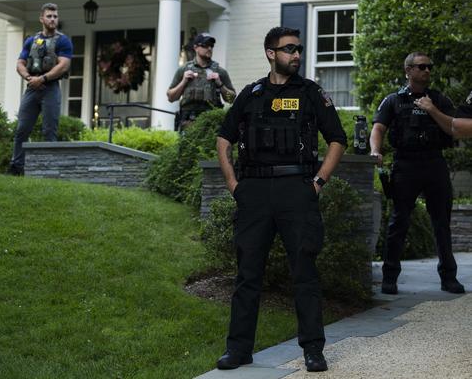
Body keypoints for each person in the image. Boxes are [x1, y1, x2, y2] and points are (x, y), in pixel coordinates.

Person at [215, 27, 346, 372]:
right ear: (271, 53)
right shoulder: (251, 94)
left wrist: (318, 182)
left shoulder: (310, 93)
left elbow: (337, 140)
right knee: (247, 274)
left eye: (299, 49)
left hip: (296, 190)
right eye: (289, 49)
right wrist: (235, 185)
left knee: (304, 272)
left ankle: (313, 350)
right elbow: (223, 139)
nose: (297, 55)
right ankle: (239, 349)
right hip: (254, 192)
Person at [369, 52, 465, 295]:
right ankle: (389, 278)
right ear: (408, 70)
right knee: (398, 222)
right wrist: (375, 150)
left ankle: (449, 278)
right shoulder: (394, 100)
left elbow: (453, 128)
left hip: (434, 163)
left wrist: (432, 109)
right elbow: (378, 127)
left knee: (441, 222)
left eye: (430, 67)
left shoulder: (439, 100)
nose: (427, 71)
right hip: (406, 164)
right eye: (422, 67)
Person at [8, 3, 73, 175]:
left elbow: (64, 65)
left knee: (49, 129)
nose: (53, 19)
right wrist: (30, 78)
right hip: (32, 88)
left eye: (55, 16)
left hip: (51, 88)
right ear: (41, 18)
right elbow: (20, 63)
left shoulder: (63, 41)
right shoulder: (31, 40)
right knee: (22, 128)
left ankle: (48, 169)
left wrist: (43, 78)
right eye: (49, 16)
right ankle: (16, 166)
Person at [167, 33, 236, 130]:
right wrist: (183, 82)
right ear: (196, 47)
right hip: (188, 125)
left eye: (211, 46)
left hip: (212, 125)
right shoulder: (184, 70)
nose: (209, 48)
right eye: (205, 45)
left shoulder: (220, 72)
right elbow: (171, 97)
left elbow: (231, 99)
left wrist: (220, 84)